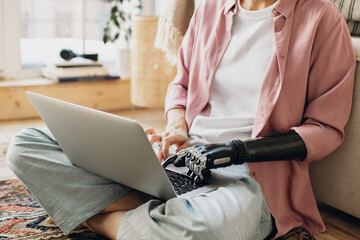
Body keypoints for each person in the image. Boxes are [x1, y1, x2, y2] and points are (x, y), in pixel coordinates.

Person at [6, 0, 356, 239]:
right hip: (180, 161)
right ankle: (152, 210)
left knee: (200, 232)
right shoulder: (209, 8)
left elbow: (325, 130)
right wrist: (176, 127)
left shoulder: (321, 18)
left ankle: (99, 217)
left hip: (249, 177)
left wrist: (235, 151)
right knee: (25, 145)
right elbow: (181, 85)